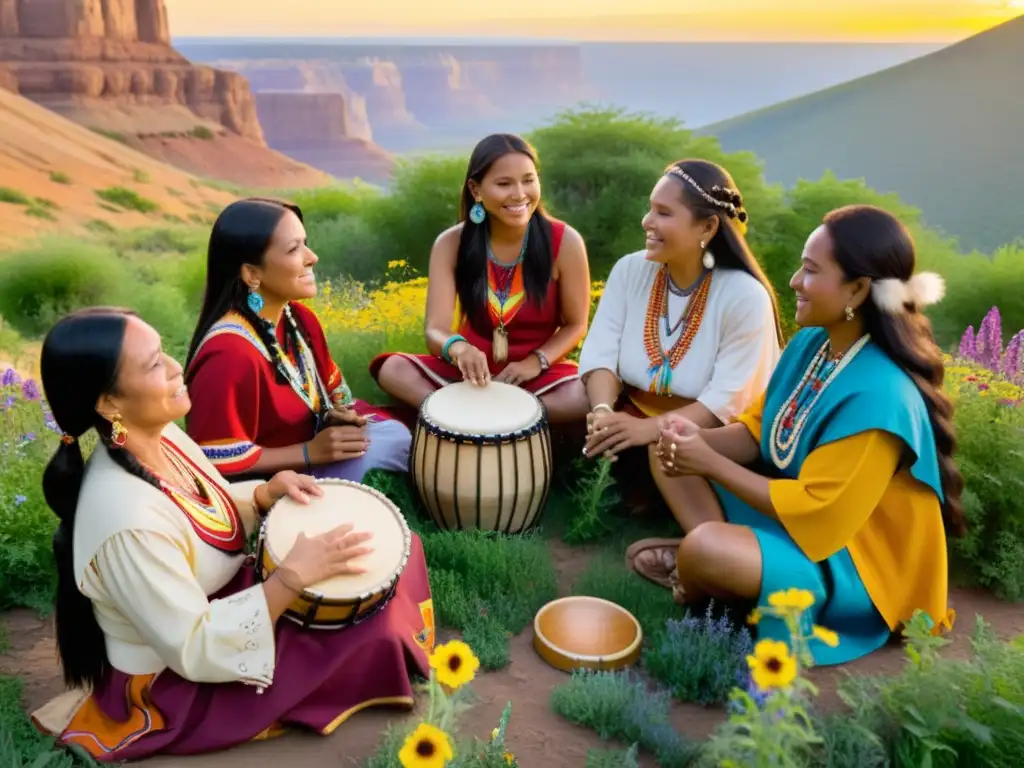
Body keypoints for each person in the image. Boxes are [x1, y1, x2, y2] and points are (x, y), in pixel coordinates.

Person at [30, 309, 436, 761]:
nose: (174, 366)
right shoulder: (124, 520)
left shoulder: (160, 437)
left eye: (164, 352)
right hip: (177, 679)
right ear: (109, 403)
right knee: (368, 628)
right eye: (152, 365)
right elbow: (193, 646)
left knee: (386, 558)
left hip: (222, 600)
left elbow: (200, 509)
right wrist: (290, 580)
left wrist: (264, 493)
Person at [630, 204, 962, 666]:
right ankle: (721, 568)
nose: (793, 282)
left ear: (858, 289)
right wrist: (692, 441)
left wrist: (708, 463)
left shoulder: (882, 396)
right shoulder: (815, 342)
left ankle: (714, 567)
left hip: (851, 565)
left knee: (704, 545)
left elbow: (816, 511)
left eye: (810, 271)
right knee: (664, 442)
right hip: (798, 523)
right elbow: (761, 430)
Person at [578, 159, 783, 523]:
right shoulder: (630, 270)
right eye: (650, 208)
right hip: (631, 411)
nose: (647, 221)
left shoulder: (744, 295)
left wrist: (646, 429)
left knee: (667, 442)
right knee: (570, 406)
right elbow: (601, 352)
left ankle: (710, 544)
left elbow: (727, 401)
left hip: (709, 434)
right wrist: (603, 412)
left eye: (663, 212)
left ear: (707, 226)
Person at [369, 133, 592, 426]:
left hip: (537, 377)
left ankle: (486, 419)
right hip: (470, 379)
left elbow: (576, 324)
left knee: (588, 392)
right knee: (393, 368)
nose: (519, 194)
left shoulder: (565, 241)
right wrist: (459, 349)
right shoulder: (450, 244)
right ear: (476, 189)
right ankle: (466, 417)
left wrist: (534, 363)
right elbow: (435, 330)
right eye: (503, 184)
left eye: (528, 180)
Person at [183, 198, 411, 483]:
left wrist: (332, 417)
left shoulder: (298, 318)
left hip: (313, 452)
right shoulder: (229, 353)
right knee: (387, 448)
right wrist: (307, 453)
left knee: (396, 435)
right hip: (269, 483)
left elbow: (327, 393)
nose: (312, 257)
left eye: (305, 243)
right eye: (294, 249)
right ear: (252, 273)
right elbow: (213, 457)